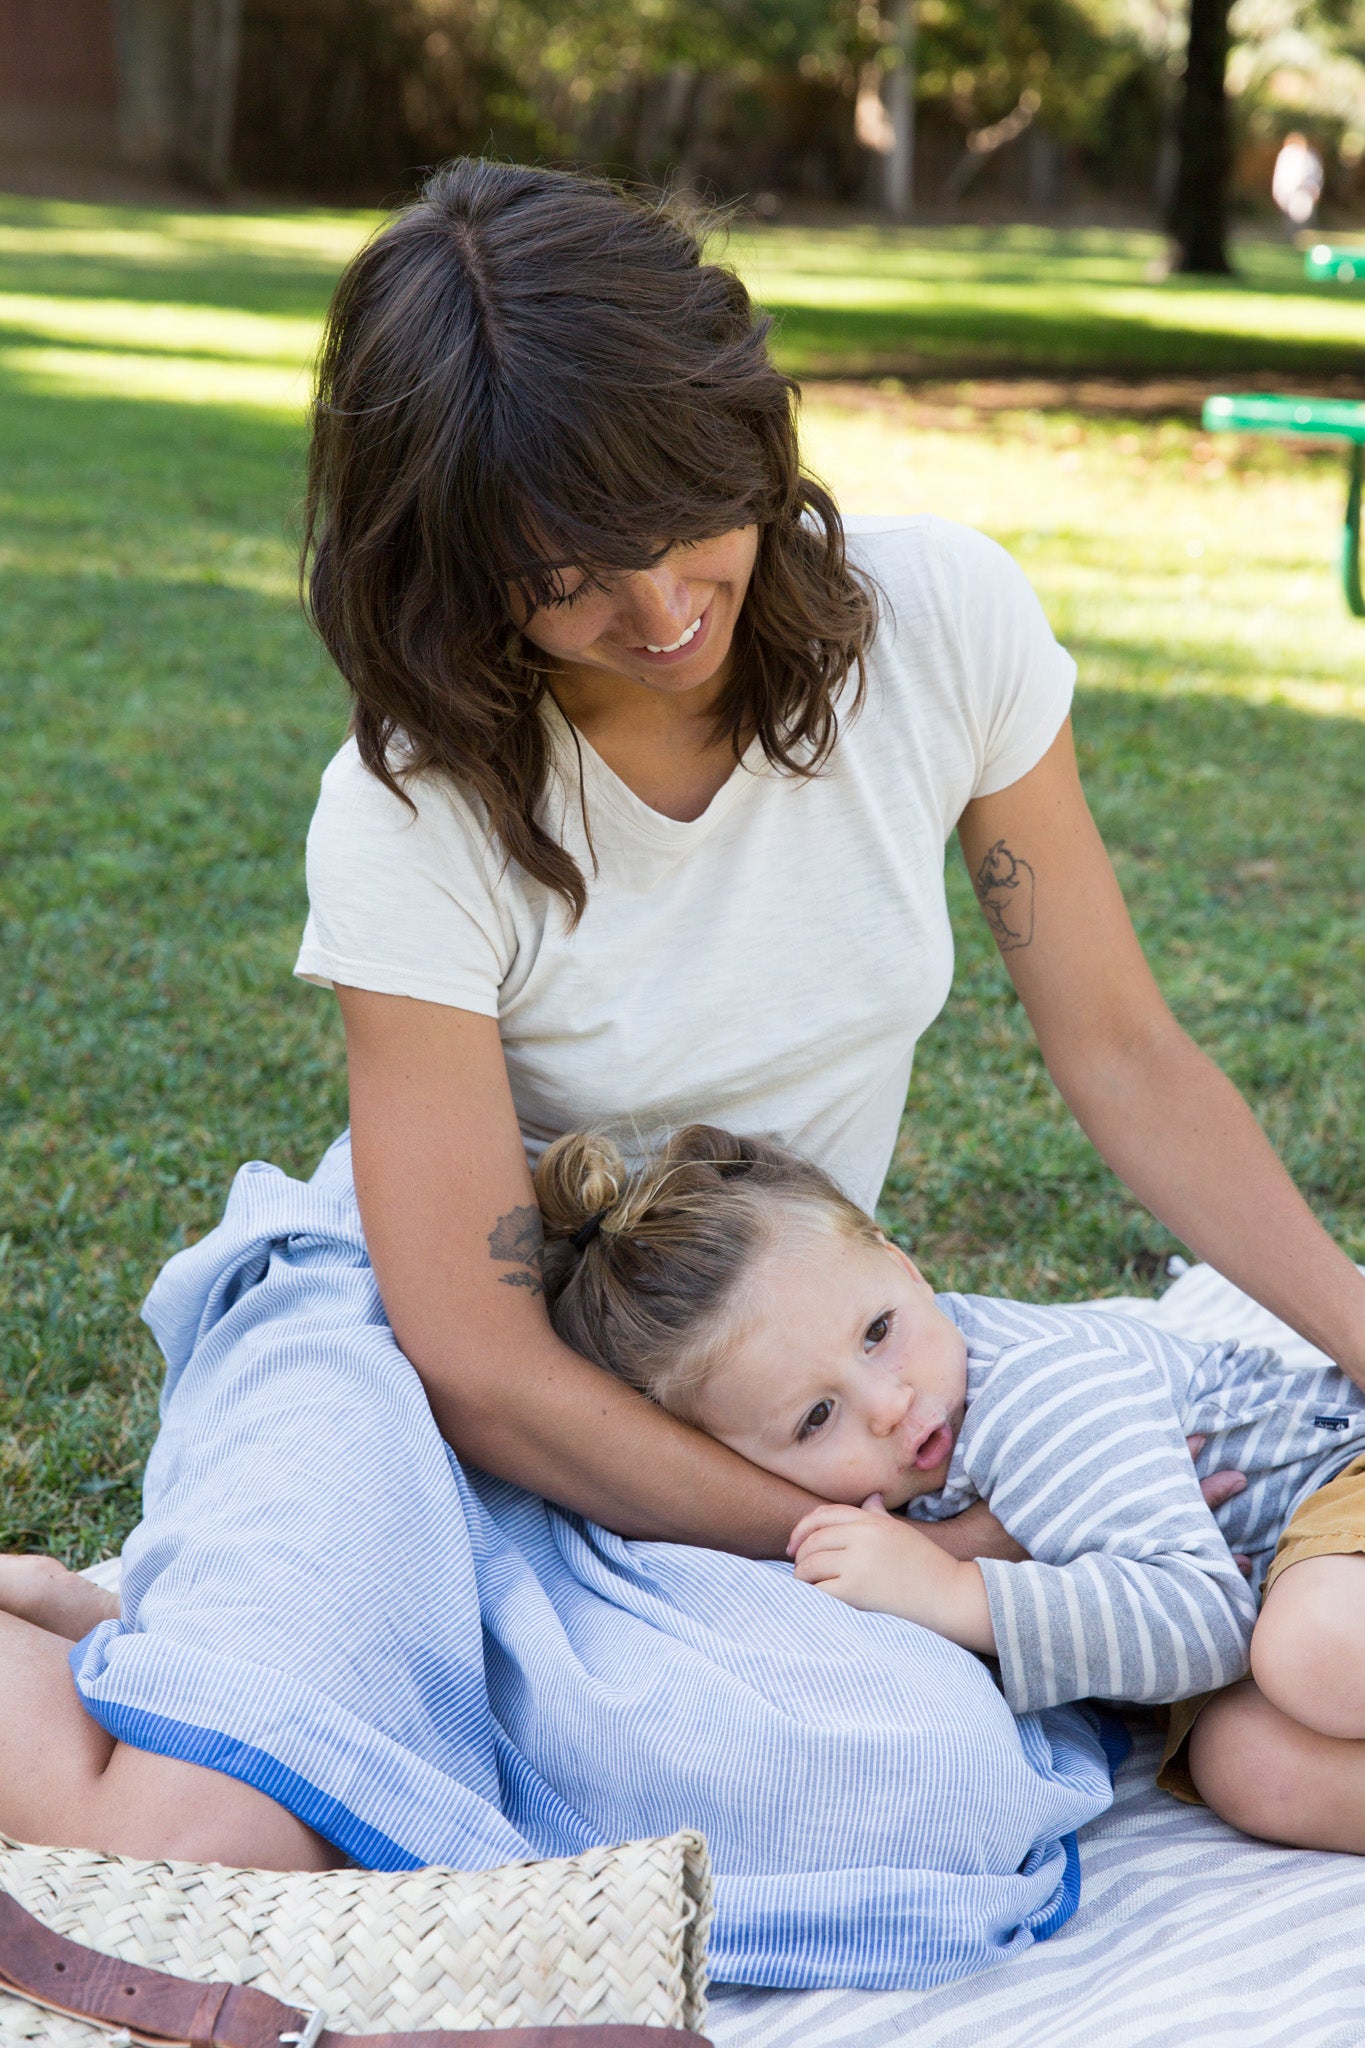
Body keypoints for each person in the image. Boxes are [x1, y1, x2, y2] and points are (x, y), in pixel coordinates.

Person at [1, 157, 1363, 1906]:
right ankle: (228, 1661)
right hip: (419, 1330)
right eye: (565, 578)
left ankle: (195, 1630)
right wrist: (887, 1540)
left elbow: (1122, 1054)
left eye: (680, 526)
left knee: (937, 1790)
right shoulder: (411, 805)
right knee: (201, 1837)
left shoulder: (941, 624)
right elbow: (480, 1358)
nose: (655, 613)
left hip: (718, 1366)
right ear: (453, 572)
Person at [533, 1121, 1365, 1852]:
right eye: (816, 1418)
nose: (889, 1405)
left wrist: (953, 1592)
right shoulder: (892, 1460)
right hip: (1267, 1589)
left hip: (1334, 1484)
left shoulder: (1035, 1396)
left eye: (878, 1332)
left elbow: (1198, 1621)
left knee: (1316, 1650)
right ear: (734, 1464)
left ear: (903, 1265)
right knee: (1252, 1769)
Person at [1273, 132, 1324, 230]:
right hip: (1288, 192)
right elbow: (1280, 175)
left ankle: (1304, 235)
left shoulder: (1310, 156)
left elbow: (1316, 174)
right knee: (1289, 218)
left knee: (1305, 218)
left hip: (1306, 192)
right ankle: (1290, 237)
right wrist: (1278, 191)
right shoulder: (1286, 155)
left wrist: (1316, 189)